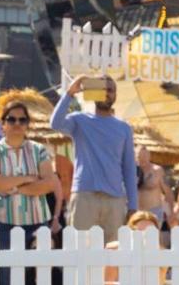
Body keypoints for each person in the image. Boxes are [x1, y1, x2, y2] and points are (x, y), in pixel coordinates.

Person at [0, 96, 58, 285]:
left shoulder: (39, 150)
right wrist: (28, 179)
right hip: (0, 221)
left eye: (22, 120)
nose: (17, 124)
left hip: (35, 222)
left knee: (34, 274)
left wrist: (11, 187)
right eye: (11, 120)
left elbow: (49, 183)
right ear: (2, 124)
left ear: (27, 125)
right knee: (1, 274)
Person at [50, 74, 137, 242]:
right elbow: (55, 123)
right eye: (102, 88)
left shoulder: (124, 128)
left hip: (115, 200)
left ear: (115, 96)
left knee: (113, 258)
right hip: (84, 196)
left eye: (110, 90)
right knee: (80, 254)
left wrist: (133, 206)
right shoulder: (79, 120)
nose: (107, 93)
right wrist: (70, 93)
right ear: (93, 92)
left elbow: (129, 169)